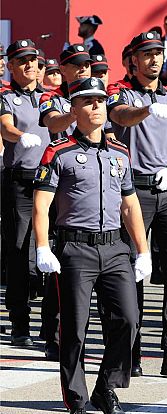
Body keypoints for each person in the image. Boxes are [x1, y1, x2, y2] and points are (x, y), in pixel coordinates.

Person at [31, 77, 151, 414]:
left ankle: (105, 388)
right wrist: (42, 246)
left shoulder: (120, 152)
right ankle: (77, 403)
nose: (96, 106)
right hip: (75, 249)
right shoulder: (58, 152)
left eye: (100, 100)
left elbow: (130, 205)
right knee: (75, 330)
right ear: (74, 109)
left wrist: (142, 251)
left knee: (128, 321)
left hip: (115, 248)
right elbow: (42, 205)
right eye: (87, 101)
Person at [107, 31, 167, 377]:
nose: (153, 60)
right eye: (146, 54)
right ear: (133, 60)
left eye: (158, 54)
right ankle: (129, 350)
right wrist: (147, 109)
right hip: (133, 191)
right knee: (132, 269)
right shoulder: (121, 92)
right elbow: (120, 117)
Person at [0, 39, 52, 348]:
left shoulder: (51, 97)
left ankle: (52, 324)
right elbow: (5, 127)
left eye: (32, 59)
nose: (29, 65)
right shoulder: (5, 96)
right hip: (20, 181)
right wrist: (22, 136)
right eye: (21, 60)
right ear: (9, 65)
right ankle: (20, 323)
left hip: (52, 182)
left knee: (53, 249)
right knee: (19, 251)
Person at [39, 44, 92, 140]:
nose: (83, 69)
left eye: (86, 65)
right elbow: (53, 125)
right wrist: (73, 114)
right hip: (65, 153)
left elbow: (108, 132)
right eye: (78, 65)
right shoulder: (50, 97)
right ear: (63, 69)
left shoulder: (100, 97)